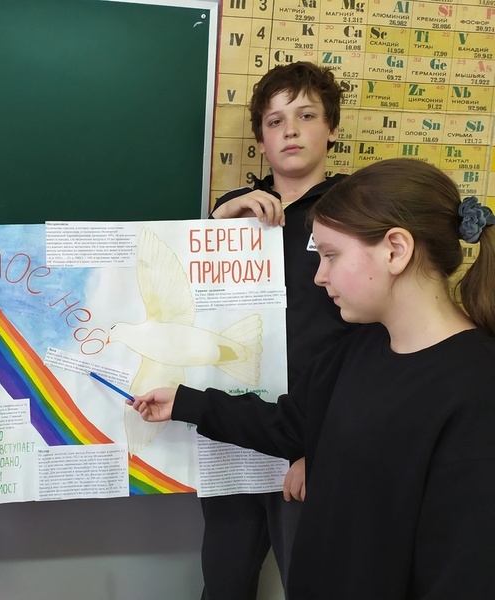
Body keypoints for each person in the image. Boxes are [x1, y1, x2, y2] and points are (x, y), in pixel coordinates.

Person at [132, 158, 495, 598]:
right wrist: (186, 403)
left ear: (395, 250)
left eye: (331, 255)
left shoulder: (476, 389)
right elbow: (290, 425)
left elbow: (462, 567)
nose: (320, 276)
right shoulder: (354, 351)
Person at [203, 61, 353, 599]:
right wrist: (217, 226)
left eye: (306, 116)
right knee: (224, 582)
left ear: (331, 128)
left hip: (315, 435)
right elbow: (191, 309)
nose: (290, 130)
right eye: (275, 121)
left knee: (311, 580)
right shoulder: (232, 214)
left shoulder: (357, 211)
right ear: (261, 140)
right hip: (237, 428)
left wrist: (324, 447)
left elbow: (375, 337)